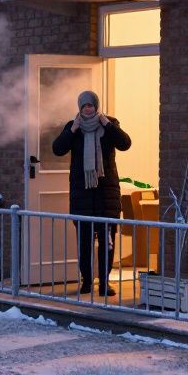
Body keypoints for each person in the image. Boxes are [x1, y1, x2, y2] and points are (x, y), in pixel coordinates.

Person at [52, 91, 131, 297]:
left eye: (91, 105)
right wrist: (73, 130)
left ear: (96, 106)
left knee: (107, 242)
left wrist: (107, 125)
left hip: (106, 193)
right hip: (82, 193)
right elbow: (58, 149)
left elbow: (125, 144)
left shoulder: (110, 123)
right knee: (85, 242)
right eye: (84, 105)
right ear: (79, 107)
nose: (88, 108)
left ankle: (104, 283)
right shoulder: (73, 126)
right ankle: (87, 281)